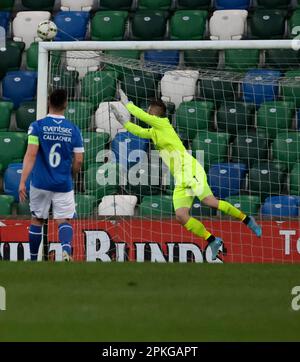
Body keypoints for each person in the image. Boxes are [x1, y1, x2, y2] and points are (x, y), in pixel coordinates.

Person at [110, 89, 262, 260]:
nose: (147, 112)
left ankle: (247, 220)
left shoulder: (163, 124)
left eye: (149, 109)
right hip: (180, 176)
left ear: (155, 112)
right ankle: (212, 240)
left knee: (209, 202)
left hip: (190, 169)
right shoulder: (154, 131)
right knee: (181, 216)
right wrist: (123, 121)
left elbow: (142, 117)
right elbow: (139, 131)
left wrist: (127, 104)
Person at [19, 89, 84, 262]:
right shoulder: (73, 129)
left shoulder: (37, 126)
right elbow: (78, 160)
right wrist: (72, 174)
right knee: (63, 220)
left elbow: (31, 154)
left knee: (37, 220)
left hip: (40, 183)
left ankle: (33, 260)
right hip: (63, 183)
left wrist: (22, 181)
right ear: (65, 104)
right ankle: (65, 251)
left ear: (49, 102)